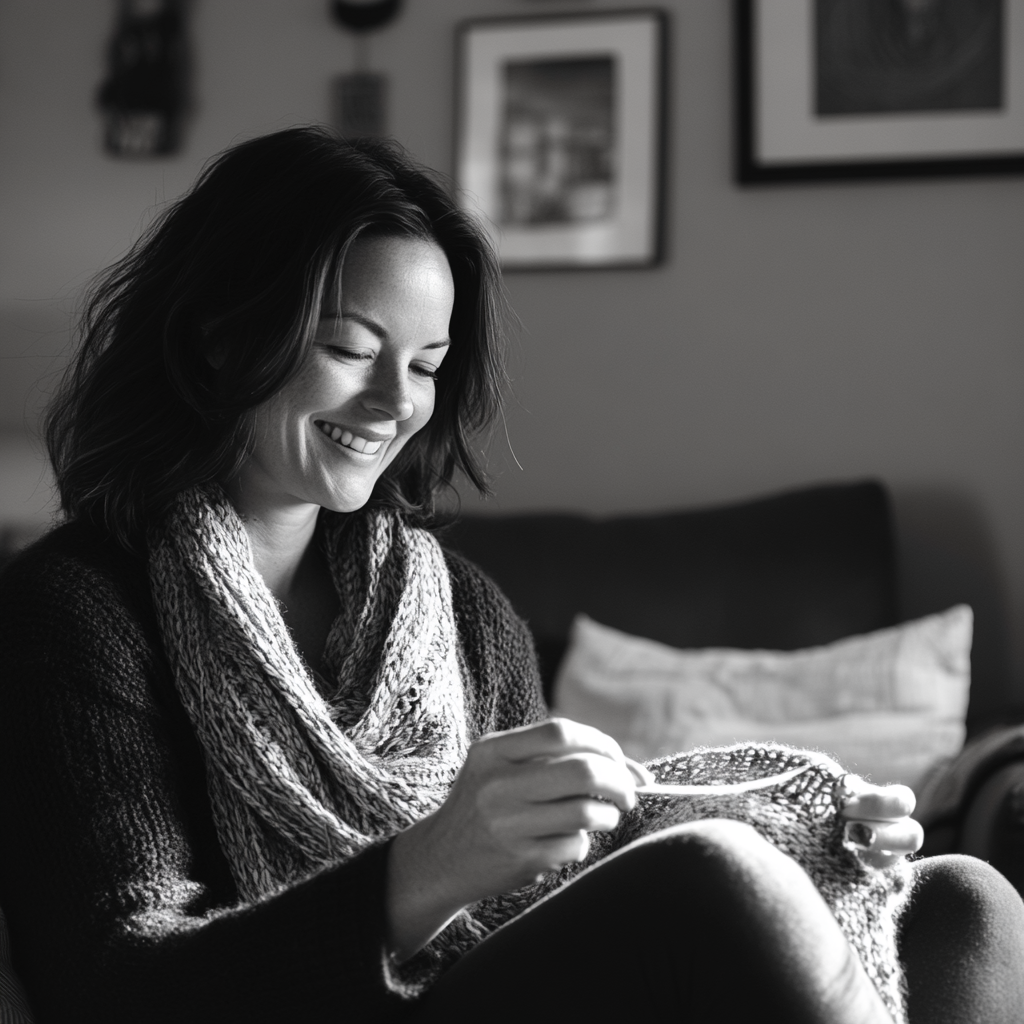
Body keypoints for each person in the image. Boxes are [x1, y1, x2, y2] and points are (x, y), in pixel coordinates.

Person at [0, 126, 1021, 1024]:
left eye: (427, 362)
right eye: (350, 348)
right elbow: (115, 989)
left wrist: (806, 845)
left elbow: (554, 901)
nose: (393, 402)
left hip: (488, 984)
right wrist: (433, 864)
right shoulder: (76, 610)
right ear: (220, 337)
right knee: (710, 881)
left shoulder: (464, 613)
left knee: (965, 904)